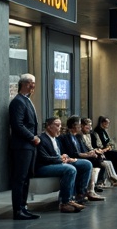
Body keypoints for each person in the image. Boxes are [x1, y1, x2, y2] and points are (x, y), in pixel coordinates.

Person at [34, 116, 97, 210]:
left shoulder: (55, 139)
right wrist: (61, 159)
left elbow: (58, 154)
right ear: (48, 126)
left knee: (86, 164)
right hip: (43, 167)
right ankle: (65, 202)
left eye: (60, 125)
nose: (60, 128)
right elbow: (44, 158)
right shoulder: (42, 139)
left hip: (56, 163)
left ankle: (80, 195)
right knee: (70, 169)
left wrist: (66, 157)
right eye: (57, 125)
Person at [8, 73, 41, 220]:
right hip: (22, 146)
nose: (34, 86)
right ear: (27, 83)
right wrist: (32, 137)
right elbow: (17, 125)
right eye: (33, 83)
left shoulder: (26, 100)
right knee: (20, 178)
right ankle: (18, 210)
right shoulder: (18, 102)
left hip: (28, 146)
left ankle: (23, 206)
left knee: (26, 177)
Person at [77, 118, 117, 187]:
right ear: (82, 126)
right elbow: (86, 148)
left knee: (112, 160)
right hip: (90, 155)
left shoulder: (89, 134)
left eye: (90, 126)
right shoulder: (81, 136)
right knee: (105, 162)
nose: (90, 128)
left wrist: (98, 150)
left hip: (96, 152)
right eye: (87, 127)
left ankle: (116, 177)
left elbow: (92, 146)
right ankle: (113, 179)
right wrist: (97, 151)